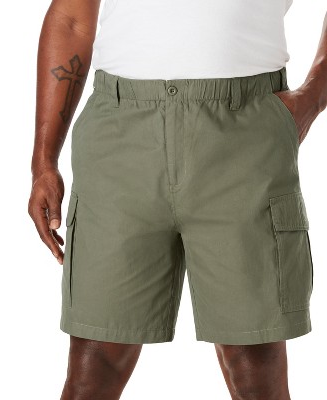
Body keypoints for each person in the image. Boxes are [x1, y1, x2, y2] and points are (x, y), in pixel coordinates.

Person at [28, 0, 327, 398]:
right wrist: (43, 161)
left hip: (246, 137)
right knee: (95, 359)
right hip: (118, 139)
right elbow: (71, 19)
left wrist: (311, 99)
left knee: (255, 363)